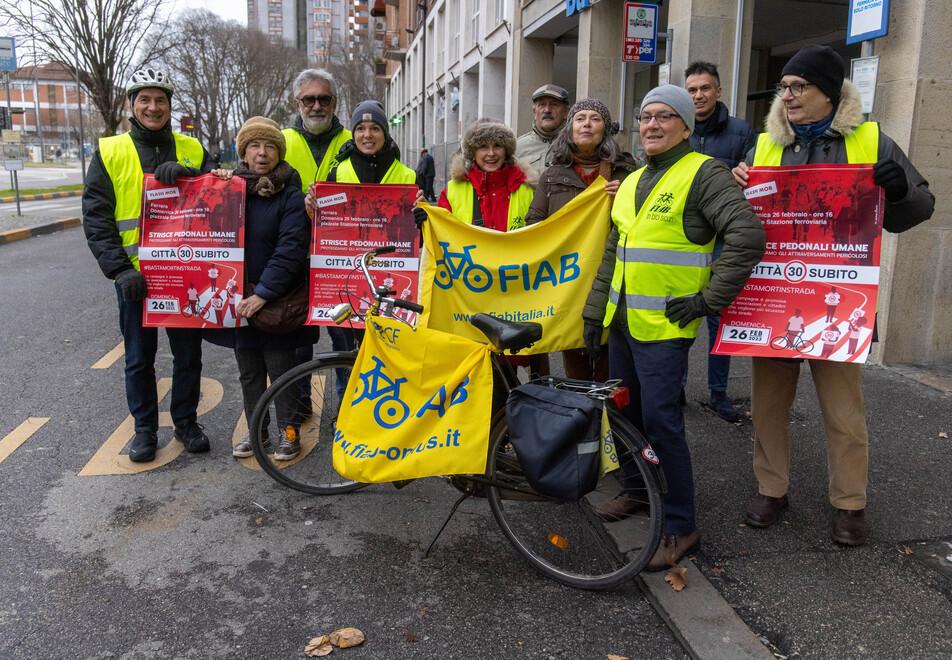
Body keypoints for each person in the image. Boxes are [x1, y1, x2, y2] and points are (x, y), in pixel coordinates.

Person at [732, 44, 935, 545]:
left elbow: (920, 207)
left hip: (839, 301)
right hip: (775, 298)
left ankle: (850, 504)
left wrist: (899, 191)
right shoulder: (763, 146)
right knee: (768, 406)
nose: (787, 95)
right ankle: (771, 490)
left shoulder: (871, 140)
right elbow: (736, 222)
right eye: (784, 86)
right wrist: (736, 189)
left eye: (799, 86)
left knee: (844, 412)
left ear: (829, 92)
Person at [584, 85, 765, 570]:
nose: (652, 125)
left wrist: (709, 300)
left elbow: (747, 236)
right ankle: (636, 491)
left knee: (662, 423)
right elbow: (615, 251)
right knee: (625, 414)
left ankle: (682, 525)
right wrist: (595, 311)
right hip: (624, 322)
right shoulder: (632, 179)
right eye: (646, 116)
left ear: (686, 127)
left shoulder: (704, 173)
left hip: (665, 327)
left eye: (665, 116)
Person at [82, 67, 212, 463]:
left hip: (184, 274)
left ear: (170, 106)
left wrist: (191, 176)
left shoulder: (192, 148)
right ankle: (144, 429)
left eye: (160, 100)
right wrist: (120, 270)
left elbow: (219, 197)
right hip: (136, 278)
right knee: (139, 358)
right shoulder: (110, 151)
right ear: (132, 105)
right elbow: (97, 217)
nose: (153, 107)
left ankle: (186, 423)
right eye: (145, 100)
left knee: (188, 357)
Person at [206, 117, 313, 461]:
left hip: (276, 300)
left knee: (281, 371)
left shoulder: (291, 197)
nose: (262, 153)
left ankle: (290, 434)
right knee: (250, 373)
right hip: (238, 299)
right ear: (243, 152)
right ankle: (257, 433)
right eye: (254, 146)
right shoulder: (229, 191)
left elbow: (290, 250)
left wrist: (263, 293)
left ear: (279, 153)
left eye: (269, 146)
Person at [525, 98, 640, 381]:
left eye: (595, 119)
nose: (587, 124)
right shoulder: (552, 175)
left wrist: (625, 197)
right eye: (580, 119)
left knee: (611, 367)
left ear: (605, 130)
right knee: (575, 362)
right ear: (570, 128)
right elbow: (533, 224)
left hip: (613, 278)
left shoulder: (628, 173)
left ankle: (608, 410)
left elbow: (643, 223)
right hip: (569, 282)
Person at [308, 99, 419, 393]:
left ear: (385, 133)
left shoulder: (408, 175)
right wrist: (312, 208)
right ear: (353, 133)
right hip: (346, 276)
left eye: (374, 128)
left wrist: (423, 214)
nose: (367, 135)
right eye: (360, 128)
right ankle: (346, 406)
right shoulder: (336, 173)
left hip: (388, 277)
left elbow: (417, 231)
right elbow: (324, 226)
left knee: (388, 350)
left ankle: (384, 407)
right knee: (345, 352)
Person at [684, 61, 756, 422]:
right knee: (681, 313)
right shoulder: (677, 128)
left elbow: (757, 179)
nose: (698, 95)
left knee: (718, 315)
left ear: (718, 91)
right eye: (692, 90)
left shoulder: (741, 132)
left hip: (722, 237)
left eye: (705, 88)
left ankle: (718, 393)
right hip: (685, 237)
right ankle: (676, 388)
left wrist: (743, 174)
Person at [283, 69, 351, 403]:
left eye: (324, 99)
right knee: (297, 342)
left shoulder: (356, 139)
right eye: (309, 99)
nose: (316, 106)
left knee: (345, 340)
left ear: (334, 102)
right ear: (297, 103)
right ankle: (298, 409)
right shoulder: (281, 141)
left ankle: (348, 409)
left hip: (341, 260)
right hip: (295, 258)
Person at [438, 118, 535, 231]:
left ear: (506, 151)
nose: (491, 153)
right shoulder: (452, 190)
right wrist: (425, 219)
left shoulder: (528, 189)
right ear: (472, 153)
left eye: (497, 145)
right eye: (483, 146)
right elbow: (440, 231)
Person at [516, 83, 571, 176]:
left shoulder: (576, 145)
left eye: (554, 104)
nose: (547, 110)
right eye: (542, 105)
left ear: (566, 112)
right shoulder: (517, 147)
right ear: (534, 112)